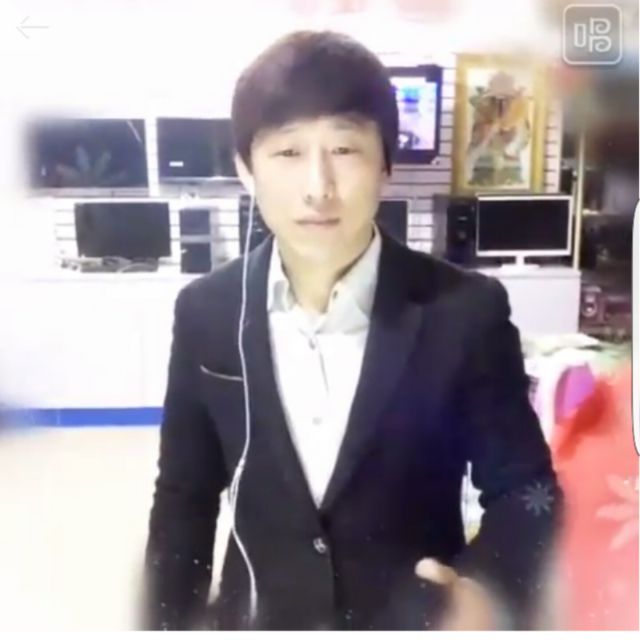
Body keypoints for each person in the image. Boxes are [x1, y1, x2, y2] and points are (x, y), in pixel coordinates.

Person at [141, 30, 562, 631]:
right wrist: (164, 622)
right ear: (245, 169)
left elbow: (525, 490)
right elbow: (184, 497)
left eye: (344, 149)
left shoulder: (464, 311)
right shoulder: (206, 310)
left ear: (386, 162)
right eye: (288, 153)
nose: (318, 187)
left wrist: (487, 589)